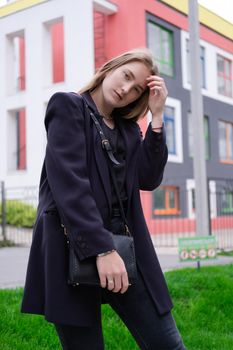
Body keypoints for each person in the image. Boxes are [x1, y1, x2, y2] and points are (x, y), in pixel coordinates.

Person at [21, 48, 186, 349]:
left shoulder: (127, 130)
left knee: (168, 343)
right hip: (74, 248)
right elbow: (71, 185)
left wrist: (157, 117)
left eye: (137, 89)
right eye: (126, 76)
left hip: (124, 250)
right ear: (110, 67)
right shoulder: (68, 106)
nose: (126, 89)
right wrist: (102, 250)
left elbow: (147, 178)